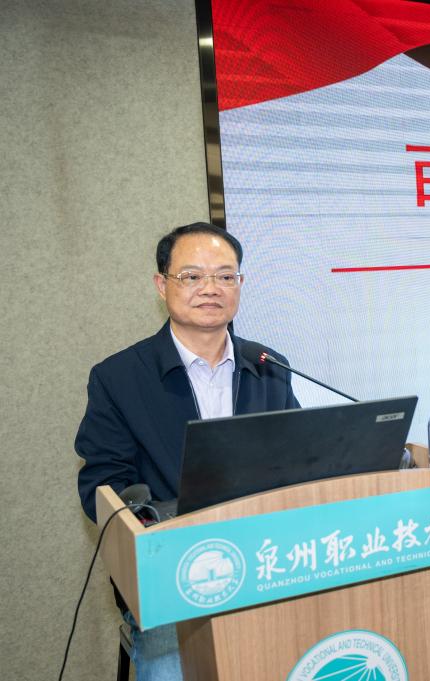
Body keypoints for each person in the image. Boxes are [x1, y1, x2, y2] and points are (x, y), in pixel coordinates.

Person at [75, 222, 299, 681]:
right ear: (162, 285)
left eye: (225, 276)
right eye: (192, 276)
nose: (210, 288)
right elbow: (102, 486)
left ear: (240, 284)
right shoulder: (118, 378)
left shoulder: (268, 365)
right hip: (174, 577)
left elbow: (298, 459)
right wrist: (151, 531)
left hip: (267, 561)